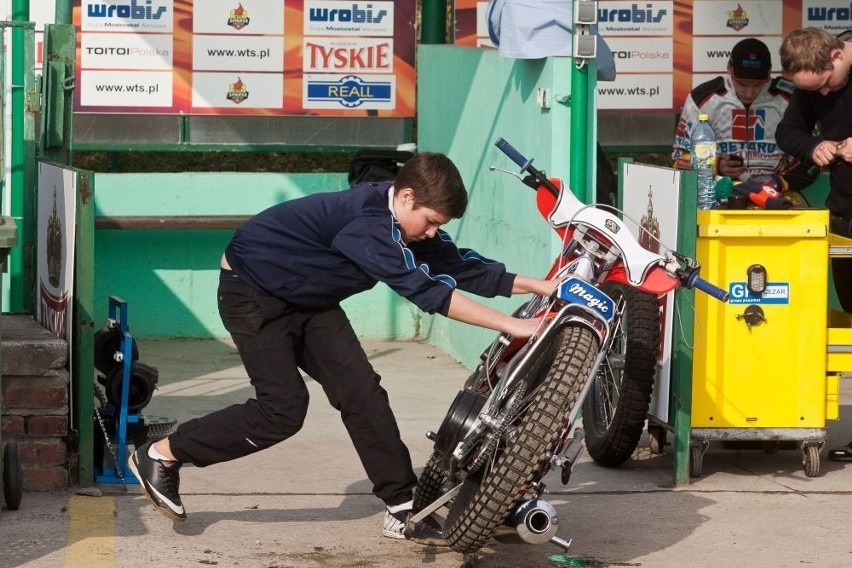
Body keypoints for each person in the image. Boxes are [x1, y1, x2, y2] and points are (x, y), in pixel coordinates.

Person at [126, 152, 560, 544]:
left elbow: (455, 264)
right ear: (406, 197)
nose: (432, 233)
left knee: (362, 392)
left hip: (309, 301)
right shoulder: (369, 226)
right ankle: (162, 455)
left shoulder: (404, 223)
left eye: (439, 226)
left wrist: (535, 284)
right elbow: (427, 291)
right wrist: (513, 325)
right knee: (282, 410)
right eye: (430, 221)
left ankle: (402, 506)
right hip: (252, 293)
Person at [774, 27, 852, 462]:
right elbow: (788, 131)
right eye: (811, 90)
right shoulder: (811, 80)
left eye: (824, 84)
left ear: (837, 55)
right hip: (845, 212)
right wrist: (814, 145)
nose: (821, 94)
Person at [672, 37, 815, 195]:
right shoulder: (702, 98)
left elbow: (813, 155)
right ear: (729, 69)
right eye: (742, 84)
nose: (749, 92)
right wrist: (716, 165)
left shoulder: (790, 97)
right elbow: (679, 160)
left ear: (769, 73)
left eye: (757, 85)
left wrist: (780, 181)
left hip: (777, 193)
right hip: (719, 191)